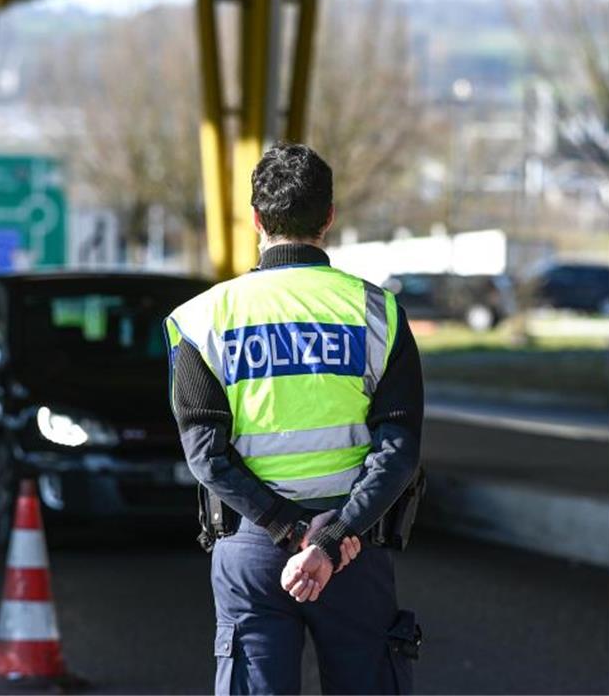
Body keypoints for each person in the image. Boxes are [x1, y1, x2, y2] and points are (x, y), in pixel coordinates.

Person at [164, 142, 425, 695]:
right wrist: (330, 539)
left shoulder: (202, 319)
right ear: (329, 217)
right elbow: (398, 449)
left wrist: (286, 528)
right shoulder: (379, 314)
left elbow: (206, 456)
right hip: (354, 547)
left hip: (253, 549)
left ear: (256, 219)